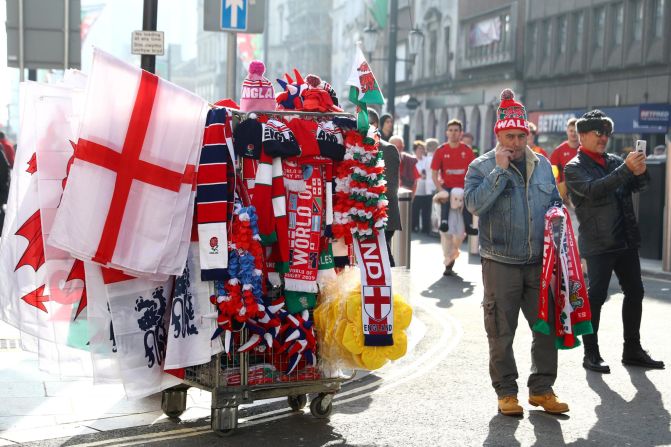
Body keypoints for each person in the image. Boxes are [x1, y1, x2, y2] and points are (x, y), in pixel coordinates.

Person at [464, 89, 568, 417]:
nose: (516, 142)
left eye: (521, 136)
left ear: (527, 135)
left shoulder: (543, 165)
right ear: (498, 135)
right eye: (509, 136)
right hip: (500, 262)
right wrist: (498, 171)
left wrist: (558, 216)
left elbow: (554, 202)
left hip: (538, 262)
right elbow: (474, 205)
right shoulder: (481, 167)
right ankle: (507, 392)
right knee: (500, 331)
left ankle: (541, 389)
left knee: (546, 328)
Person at [564, 109, 665, 373]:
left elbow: (638, 187)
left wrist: (640, 172)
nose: (604, 138)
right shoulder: (574, 167)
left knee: (636, 292)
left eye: (607, 133)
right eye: (598, 133)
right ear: (582, 135)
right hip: (598, 242)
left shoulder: (613, 161)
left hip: (625, 238)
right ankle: (591, 352)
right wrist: (625, 170)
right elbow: (593, 191)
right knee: (595, 297)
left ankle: (632, 349)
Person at [431, 119, 476, 275]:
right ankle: (448, 262)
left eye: (456, 130)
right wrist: (440, 190)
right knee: (446, 233)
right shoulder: (440, 150)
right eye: (450, 130)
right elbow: (434, 173)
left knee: (460, 234)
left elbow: (474, 173)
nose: (453, 133)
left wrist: (470, 190)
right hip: (447, 195)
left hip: (463, 196)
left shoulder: (468, 150)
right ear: (446, 132)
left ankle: (453, 253)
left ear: (461, 133)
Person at [369, 108, 400, 267]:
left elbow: (390, 186)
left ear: (374, 124)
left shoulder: (387, 149)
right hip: (365, 214)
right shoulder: (354, 148)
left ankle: (393, 287)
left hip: (384, 214)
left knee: (384, 255)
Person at [550, 118, 579, 203]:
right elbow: (553, 170)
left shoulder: (585, 150)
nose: (573, 133)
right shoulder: (558, 151)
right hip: (564, 193)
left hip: (582, 190)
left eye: (576, 131)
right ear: (567, 131)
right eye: (571, 131)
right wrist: (559, 185)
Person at [412, 140, 434, 234]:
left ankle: (426, 228)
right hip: (416, 190)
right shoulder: (412, 159)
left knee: (426, 210)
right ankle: (414, 226)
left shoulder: (427, 159)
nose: (421, 150)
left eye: (422, 148)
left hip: (426, 189)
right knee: (415, 210)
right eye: (419, 148)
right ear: (415, 150)